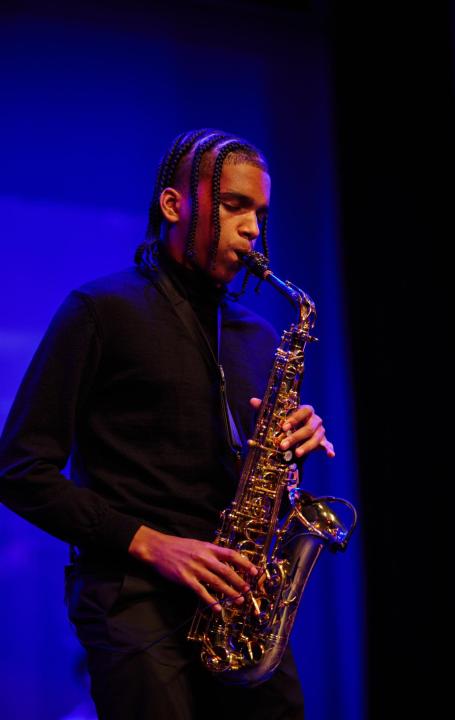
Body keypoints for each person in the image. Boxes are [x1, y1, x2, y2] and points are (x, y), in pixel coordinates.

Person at [0, 129, 334, 719]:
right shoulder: (100, 310)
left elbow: (258, 492)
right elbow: (20, 469)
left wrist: (292, 454)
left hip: (237, 606)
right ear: (175, 205)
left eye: (260, 212)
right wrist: (150, 544)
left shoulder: (259, 337)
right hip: (135, 601)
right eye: (234, 205)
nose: (254, 228)